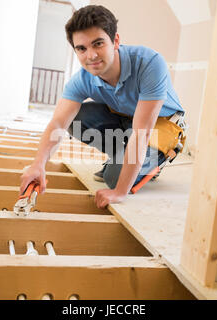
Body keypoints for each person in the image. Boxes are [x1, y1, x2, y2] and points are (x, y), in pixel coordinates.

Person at [20, 5, 185, 209]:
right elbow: (58, 123)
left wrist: (120, 192)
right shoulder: (81, 80)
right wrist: (38, 164)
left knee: (115, 180)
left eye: (98, 44)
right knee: (75, 119)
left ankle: (148, 163)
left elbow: (141, 132)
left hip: (160, 125)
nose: (91, 56)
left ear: (115, 41)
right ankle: (127, 159)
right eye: (81, 48)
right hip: (124, 119)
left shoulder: (149, 63)